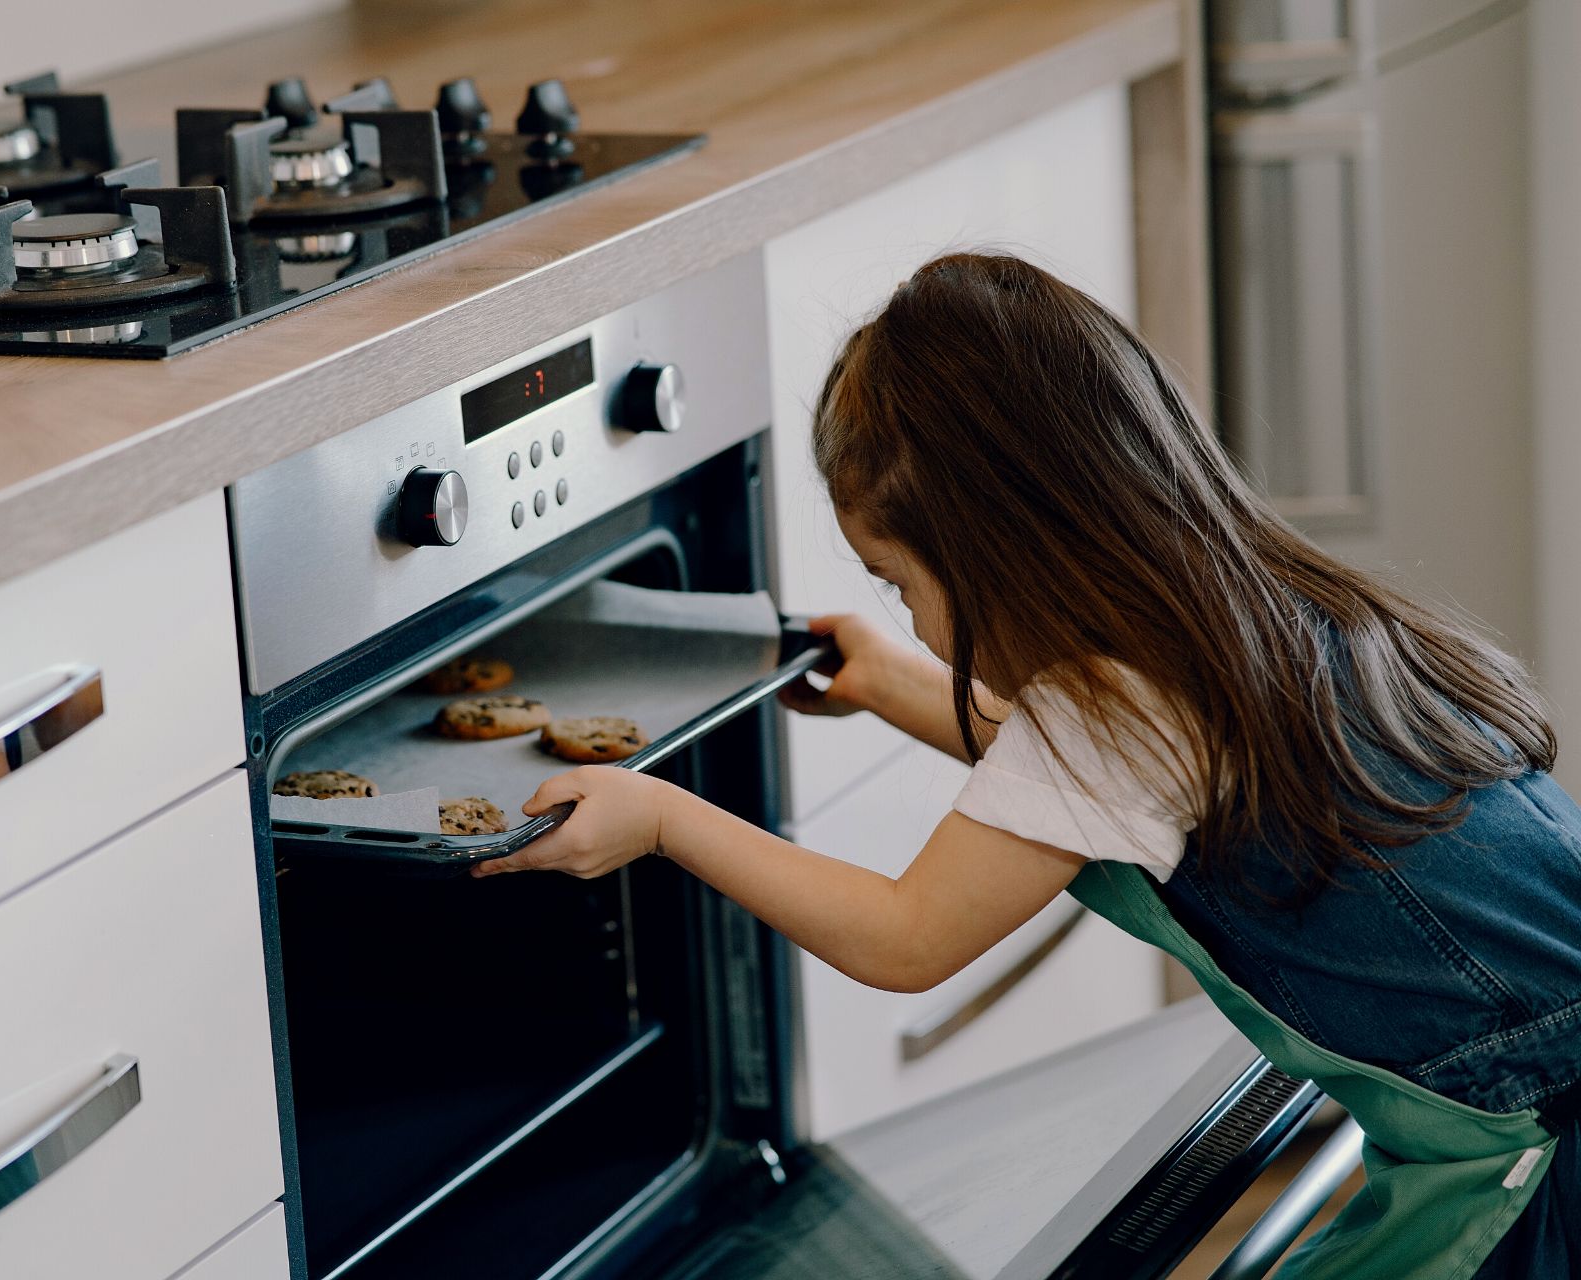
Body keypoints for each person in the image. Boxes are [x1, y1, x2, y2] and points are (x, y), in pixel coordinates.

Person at [476, 253, 1581, 1277]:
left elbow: (906, 939)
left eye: (899, 582)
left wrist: (664, 817)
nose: (905, 614)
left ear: (1000, 549)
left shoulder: (1113, 708)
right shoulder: (1248, 613)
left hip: (1529, 1142)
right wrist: (895, 684)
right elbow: (1087, 793)